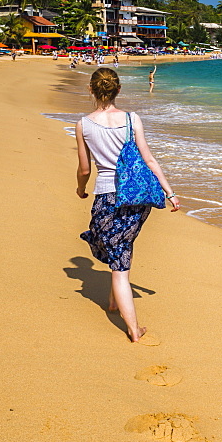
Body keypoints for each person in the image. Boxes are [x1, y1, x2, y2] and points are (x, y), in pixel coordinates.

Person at [75, 67, 180, 343]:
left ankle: (133, 329)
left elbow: (85, 169)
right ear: (118, 89)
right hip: (136, 198)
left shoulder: (84, 124)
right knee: (122, 246)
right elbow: (150, 160)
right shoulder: (132, 120)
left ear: (91, 90)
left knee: (119, 262)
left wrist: (80, 189)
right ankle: (113, 302)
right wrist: (169, 193)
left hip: (107, 195)